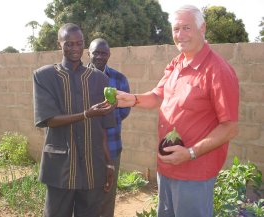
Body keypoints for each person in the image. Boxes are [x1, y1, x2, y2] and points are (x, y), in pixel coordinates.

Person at [116, 5, 239, 217]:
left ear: (203, 28)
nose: (180, 35)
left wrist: (190, 153)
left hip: (194, 172)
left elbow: (229, 128)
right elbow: (157, 96)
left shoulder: (217, 70)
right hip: (167, 166)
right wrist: (133, 99)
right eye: (175, 29)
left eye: (186, 28)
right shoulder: (177, 63)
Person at [33, 23, 117, 217]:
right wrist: (86, 114)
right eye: (68, 44)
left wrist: (109, 163)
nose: (75, 49)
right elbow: (49, 119)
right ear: (59, 44)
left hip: (92, 166)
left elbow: (104, 127)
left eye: (79, 43)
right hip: (60, 168)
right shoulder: (44, 76)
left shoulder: (99, 79)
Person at [87, 38, 131, 217]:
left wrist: (108, 120)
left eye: (103, 53)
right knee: (86, 194)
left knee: (108, 191)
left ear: (109, 55)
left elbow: (126, 107)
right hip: (85, 147)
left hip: (111, 146)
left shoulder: (118, 78)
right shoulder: (80, 77)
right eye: (95, 52)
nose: (99, 56)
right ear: (88, 53)